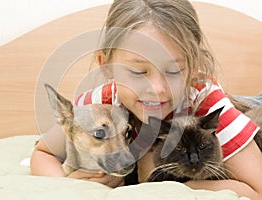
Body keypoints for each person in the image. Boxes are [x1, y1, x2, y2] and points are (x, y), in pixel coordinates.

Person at [31, 0, 262, 199]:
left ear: (194, 67)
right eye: (138, 72)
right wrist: (69, 183)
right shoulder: (104, 103)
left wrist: (172, 188)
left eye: (173, 71)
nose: (158, 89)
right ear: (107, 67)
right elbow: (43, 153)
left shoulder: (205, 101)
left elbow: (258, 190)